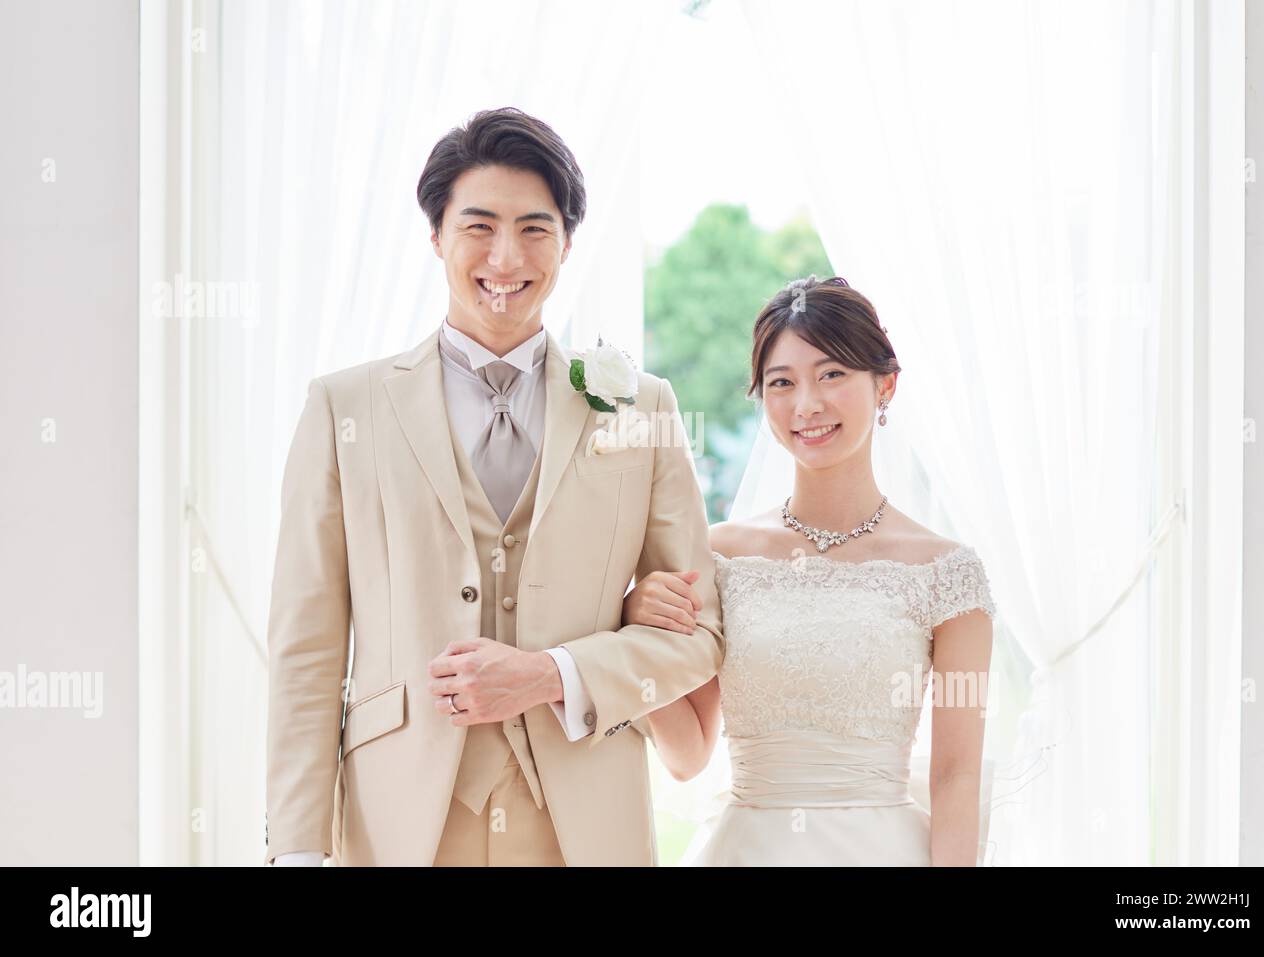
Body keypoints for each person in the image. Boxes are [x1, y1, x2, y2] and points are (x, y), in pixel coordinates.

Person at [265, 107, 723, 866]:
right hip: (399, 821)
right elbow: (306, 651)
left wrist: (555, 673)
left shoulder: (642, 409)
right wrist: (296, 851)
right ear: (437, 236)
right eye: (478, 226)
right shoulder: (344, 409)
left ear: (568, 243)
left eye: (535, 229)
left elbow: (700, 636)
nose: (505, 256)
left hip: (584, 821)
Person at [622, 276, 997, 865]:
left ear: (885, 386)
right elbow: (686, 753)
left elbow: (955, 777)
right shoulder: (718, 557)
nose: (807, 405)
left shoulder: (948, 574)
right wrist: (632, 627)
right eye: (782, 383)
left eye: (832, 375)